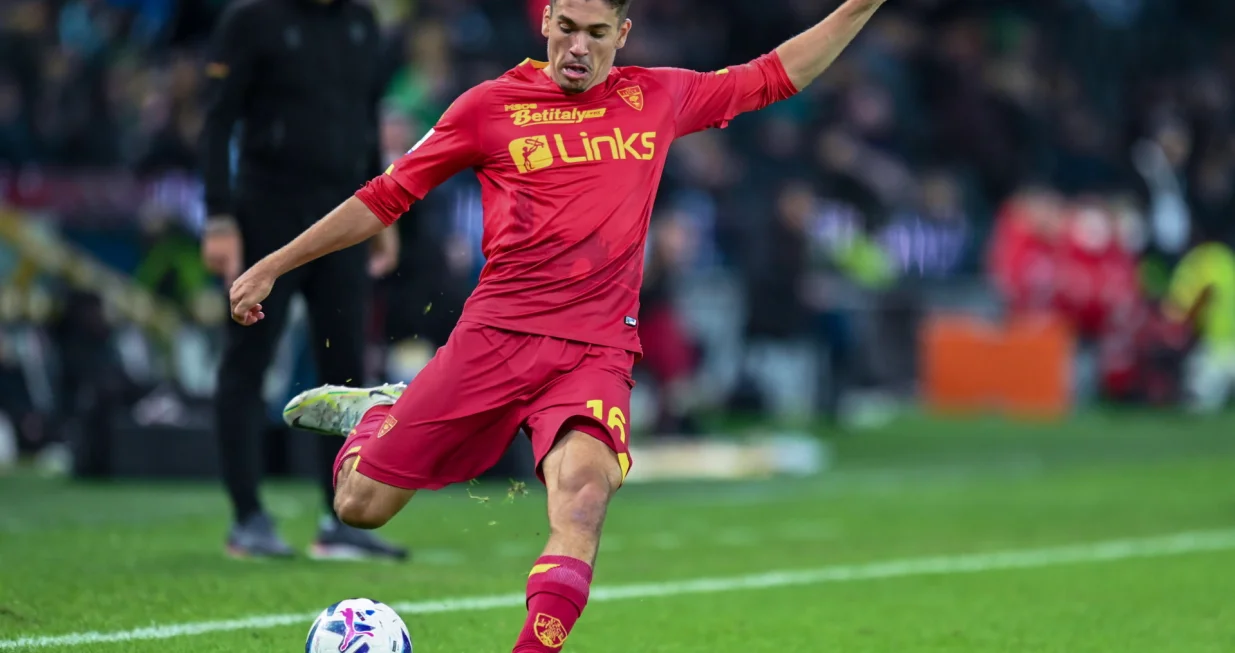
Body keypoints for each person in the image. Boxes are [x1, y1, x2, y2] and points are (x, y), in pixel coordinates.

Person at [230, 0, 885, 648]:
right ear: (544, 22)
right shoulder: (487, 107)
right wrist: (275, 265)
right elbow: (385, 195)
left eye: (597, 33)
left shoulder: (657, 96)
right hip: (494, 341)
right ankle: (380, 414)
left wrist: (859, 6)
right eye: (566, 28)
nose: (578, 47)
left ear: (622, 34)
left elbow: (776, 74)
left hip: (595, 353)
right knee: (358, 507)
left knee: (582, 500)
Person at [198, 0, 406, 560]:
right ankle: (247, 516)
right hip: (268, 212)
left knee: (346, 372)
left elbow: (365, 119)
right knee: (249, 358)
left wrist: (382, 211)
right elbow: (217, 120)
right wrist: (219, 217)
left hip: (344, 215)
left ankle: (339, 518)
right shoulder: (252, 19)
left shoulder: (361, 23)